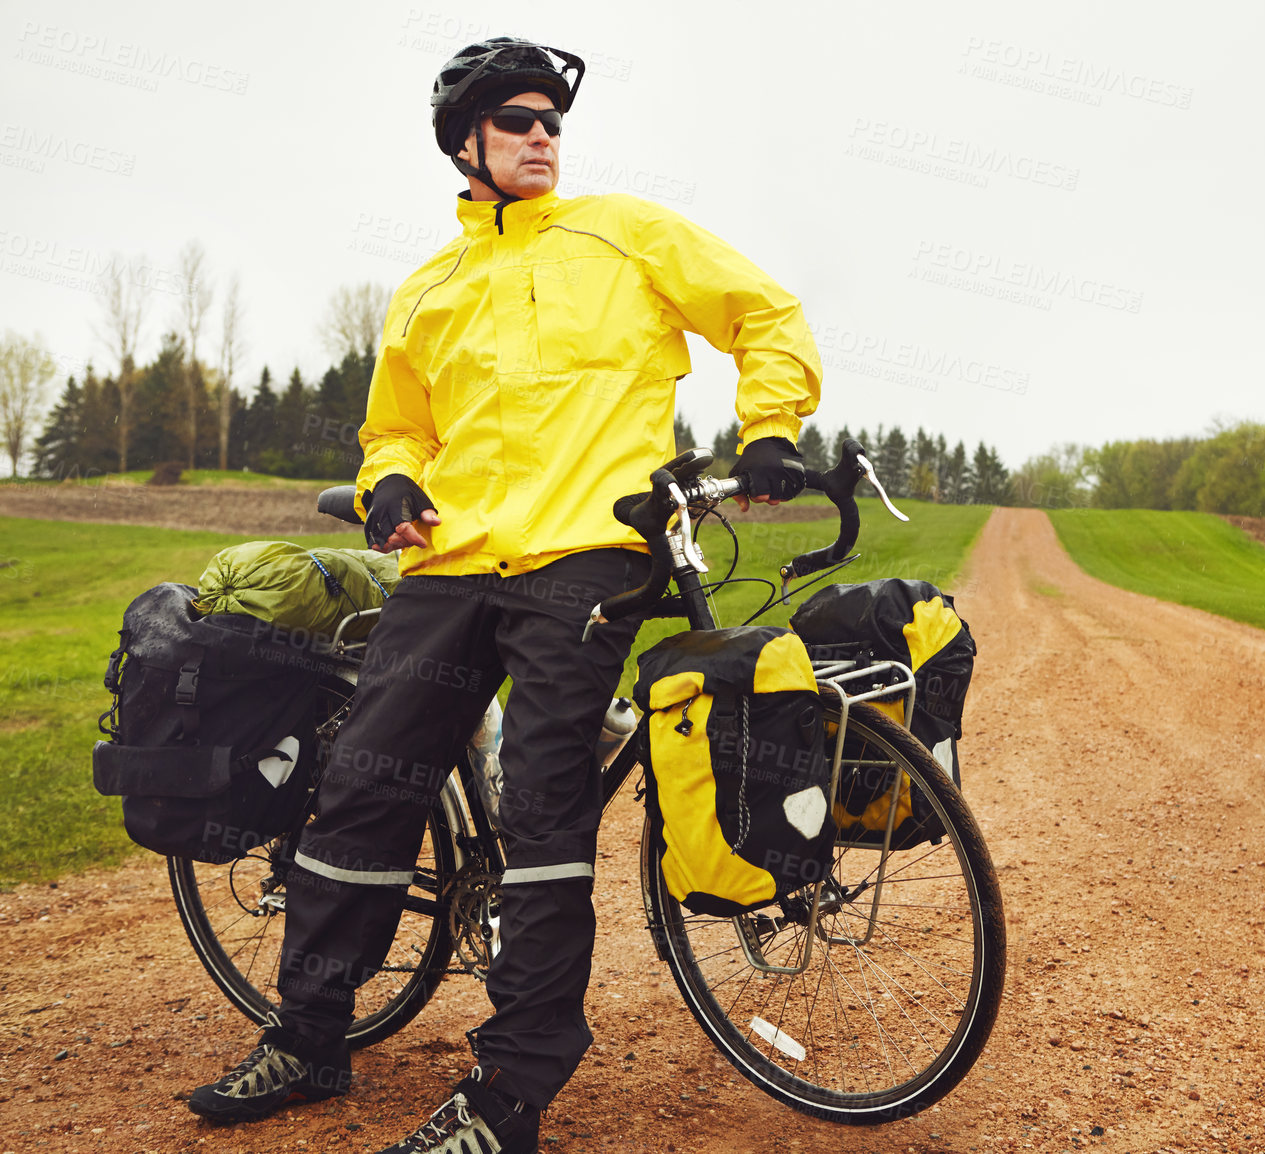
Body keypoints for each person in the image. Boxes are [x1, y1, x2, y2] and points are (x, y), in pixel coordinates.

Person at [185, 37, 821, 1154]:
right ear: (465, 141)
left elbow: (763, 314)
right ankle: (308, 1033)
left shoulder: (627, 231)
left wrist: (768, 429)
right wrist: (389, 480)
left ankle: (508, 1094)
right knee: (365, 791)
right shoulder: (427, 287)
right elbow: (399, 424)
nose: (542, 136)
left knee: (543, 806)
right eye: (518, 120)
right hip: (452, 561)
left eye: (551, 121)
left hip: (588, 548)